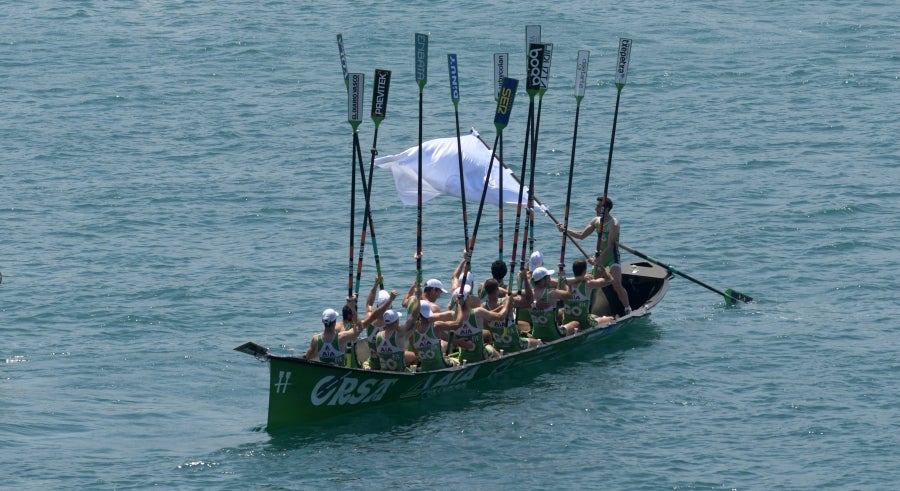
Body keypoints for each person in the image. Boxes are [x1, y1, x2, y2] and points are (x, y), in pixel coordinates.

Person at [557, 196, 632, 315]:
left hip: (611, 256)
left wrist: (598, 259)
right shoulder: (596, 221)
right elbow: (581, 235)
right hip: (599, 257)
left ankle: (627, 308)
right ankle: (586, 310)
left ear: (606, 209)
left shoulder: (614, 224)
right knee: (591, 284)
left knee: (616, 284)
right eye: (596, 206)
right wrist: (565, 230)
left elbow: (610, 246)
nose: (595, 208)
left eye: (598, 206)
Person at [482, 272, 541, 354]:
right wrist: (525, 280)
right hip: (517, 345)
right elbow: (529, 300)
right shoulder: (507, 302)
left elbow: (488, 316)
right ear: (498, 290)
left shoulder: (483, 308)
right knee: (539, 343)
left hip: (498, 346)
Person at [305, 296, 365, 366]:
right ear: (335, 321)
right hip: (340, 374)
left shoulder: (315, 339)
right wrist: (352, 308)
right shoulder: (342, 337)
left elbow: (307, 358)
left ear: (322, 321)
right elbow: (360, 328)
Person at [560, 258, 615, 330]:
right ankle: (604, 318)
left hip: (566, 322)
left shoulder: (564, 283)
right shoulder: (589, 283)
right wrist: (601, 267)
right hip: (585, 324)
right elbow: (610, 280)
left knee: (592, 316)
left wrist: (563, 277)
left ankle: (596, 317)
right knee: (611, 319)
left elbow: (561, 280)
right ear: (585, 271)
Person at [530, 267, 579, 341]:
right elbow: (569, 294)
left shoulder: (529, 294)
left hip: (536, 335)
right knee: (576, 323)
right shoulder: (553, 293)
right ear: (543, 280)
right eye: (548, 277)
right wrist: (563, 278)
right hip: (554, 335)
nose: (550, 279)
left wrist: (535, 304)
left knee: (560, 312)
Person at [412, 299, 462, 371]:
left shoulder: (411, 332)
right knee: (454, 361)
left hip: (425, 370)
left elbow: (416, 354)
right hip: (442, 368)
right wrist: (459, 305)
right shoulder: (436, 326)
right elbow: (458, 324)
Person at [375, 305, 419, 372]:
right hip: (401, 373)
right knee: (417, 356)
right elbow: (413, 318)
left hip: (384, 372)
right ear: (396, 322)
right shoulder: (399, 335)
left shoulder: (378, 335)